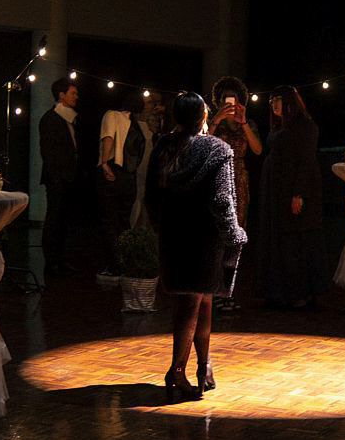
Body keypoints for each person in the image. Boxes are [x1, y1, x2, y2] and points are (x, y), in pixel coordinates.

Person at [145, 92, 246, 401]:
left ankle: (204, 366)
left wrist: (160, 225)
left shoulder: (163, 146)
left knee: (199, 300)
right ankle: (176, 371)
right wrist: (234, 233)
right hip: (204, 235)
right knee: (194, 301)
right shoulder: (217, 149)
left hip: (174, 232)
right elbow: (222, 199)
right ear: (203, 116)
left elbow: (151, 194)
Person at [257, 86, 328, 308]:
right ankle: (279, 293)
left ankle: (300, 294)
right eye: (271, 101)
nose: (274, 105)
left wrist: (298, 193)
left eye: (278, 100)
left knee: (295, 242)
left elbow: (307, 162)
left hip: (291, 189)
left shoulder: (305, 126)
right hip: (276, 190)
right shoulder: (280, 126)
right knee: (279, 240)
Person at [209, 76, 263, 312]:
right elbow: (202, 144)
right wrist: (216, 120)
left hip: (239, 182)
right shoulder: (214, 123)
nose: (229, 104)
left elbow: (258, 149)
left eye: (233, 100)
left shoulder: (246, 123)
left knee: (235, 238)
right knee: (217, 237)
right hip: (218, 180)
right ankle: (214, 292)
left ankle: (227, 291)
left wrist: (243, 123)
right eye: (225, 100)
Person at [96, 91, 148, 282]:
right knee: (124, 222)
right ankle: (125, 264)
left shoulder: (112, 115)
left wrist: (104, 163)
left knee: (109, 221)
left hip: (113, 172)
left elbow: (108, 137)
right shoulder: (136, 124)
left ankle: (114, 266)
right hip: (129, 178)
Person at [39, 77, 80, 277]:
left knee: (64, 220)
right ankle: (51, 262)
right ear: (61, 95)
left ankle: (61, 259)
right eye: (73, 93)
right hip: (57, 177)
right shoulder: (51, 118)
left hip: (68, 176)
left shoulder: (69, 118)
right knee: (54, 219)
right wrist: (56, 177)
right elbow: (47, 152)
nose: (76, 96)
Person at [130, 93, 166, 229]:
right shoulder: (134, 125)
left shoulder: (155, 125)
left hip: (152, 166)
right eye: (147, 103)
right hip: (140, 167)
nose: (149, 106)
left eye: (150, 103)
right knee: (139, 196)